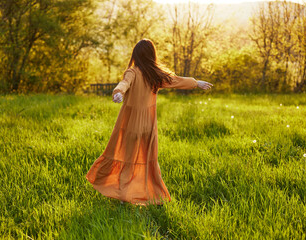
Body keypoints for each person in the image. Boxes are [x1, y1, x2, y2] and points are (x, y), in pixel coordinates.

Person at [85, 39, 213, 206]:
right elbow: (176, 80)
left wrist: (118, 93)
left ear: (136, 55)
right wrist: (196, 83)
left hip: (131, 124)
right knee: (147, 160)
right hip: (148, 125)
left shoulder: (133, 71)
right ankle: (151, 194)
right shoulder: (155, 74)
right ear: (152, 55)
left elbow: (124, 83)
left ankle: (124, 194)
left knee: (127, 158)